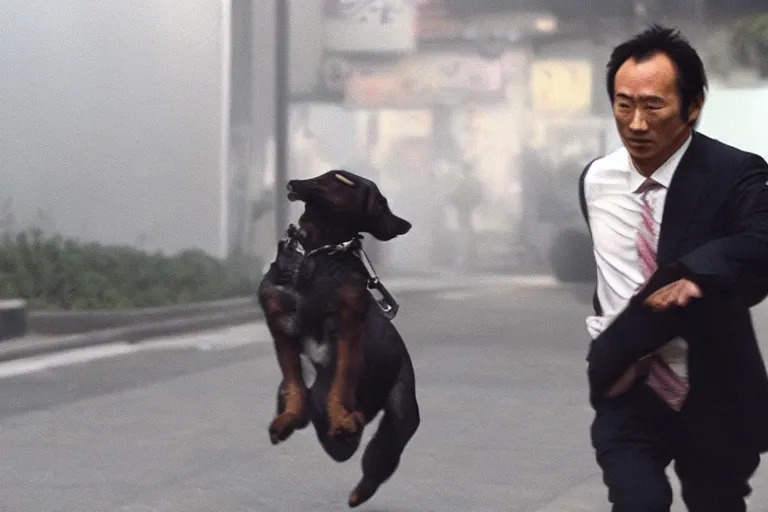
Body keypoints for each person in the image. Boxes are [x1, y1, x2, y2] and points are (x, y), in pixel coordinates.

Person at [579, 25, 768, 512]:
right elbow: (610, 279)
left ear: (693, 105)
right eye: (624, 104)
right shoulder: (596, 180)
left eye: (653, 106)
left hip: (713, 391)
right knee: (637, 501)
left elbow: (760, 241)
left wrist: (694, 271)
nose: (636, 123)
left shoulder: (737, 172)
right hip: (627, 387)